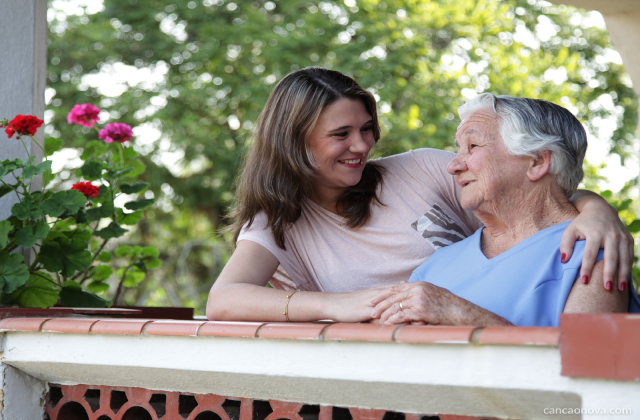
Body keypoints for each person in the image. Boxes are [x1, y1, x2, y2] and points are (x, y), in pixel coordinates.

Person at [206, 67, 633, 323]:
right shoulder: (278, 223)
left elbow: (534, 186)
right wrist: (341, 305)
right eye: (341, 134)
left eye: (367, 128)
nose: (363, 145)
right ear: (293, 142)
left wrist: (597, 211)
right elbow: (224, 299)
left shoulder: (420, 169)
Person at [371, 94, 640, 327]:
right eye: (458, 149)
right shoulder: (433, 268)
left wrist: (460, 314)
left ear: (536, 161)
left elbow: (584, 366)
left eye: (473, 146)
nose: (453, 165)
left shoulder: (594, 248)